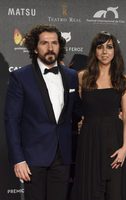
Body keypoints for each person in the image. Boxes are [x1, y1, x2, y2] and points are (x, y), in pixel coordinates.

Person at [4, 25, 81, 200]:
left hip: (62, 156)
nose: (50, 47)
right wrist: (18, 159)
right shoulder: (20, 77)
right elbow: (11, 120)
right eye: (44, 43)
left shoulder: (71, 75)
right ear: (35, 47)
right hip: (32, 157)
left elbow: (76, 110)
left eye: (54, 43)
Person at [71, 31, 126, 200]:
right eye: (100, 47)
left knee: (115, 192)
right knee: (89, 191)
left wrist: (125, 148)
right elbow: (78, 108)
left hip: (115, 143)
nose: (105, 52)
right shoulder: (82, 77)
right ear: (94, 51)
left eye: (109, 47)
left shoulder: (123, 80)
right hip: (89, 142)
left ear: (115, 51)